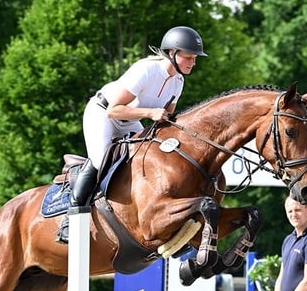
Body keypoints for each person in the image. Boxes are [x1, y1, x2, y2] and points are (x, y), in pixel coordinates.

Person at [57, 25, 208, 242]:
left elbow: (166, 120)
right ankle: (71, 217)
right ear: (173, 53)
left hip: (130, 121)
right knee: (100, 161)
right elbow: (113, 110)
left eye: (195, 58)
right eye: (189, 57)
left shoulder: (178, 82)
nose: (193, 62)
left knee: (146, 159)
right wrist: (150, 112)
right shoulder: (146, 70)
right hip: (102, 112)